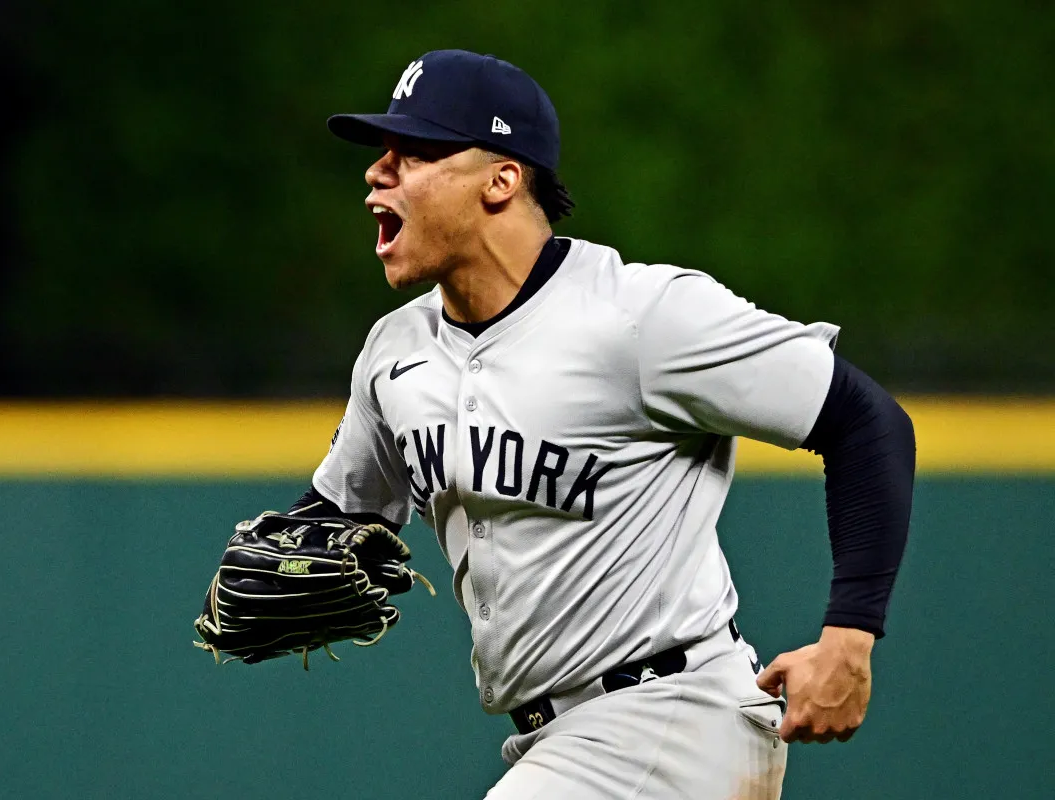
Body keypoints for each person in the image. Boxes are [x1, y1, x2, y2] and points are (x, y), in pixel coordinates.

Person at [291, 49, 916, 799]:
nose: (377, 172)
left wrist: (849, 639)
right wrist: (290, 552)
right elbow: (341, 514)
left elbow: (866, 420)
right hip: (556, 739)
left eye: (414, 152)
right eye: (382, 152)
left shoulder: (639, 317)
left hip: (670, 718)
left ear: (501, 179)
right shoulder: (395, 351)